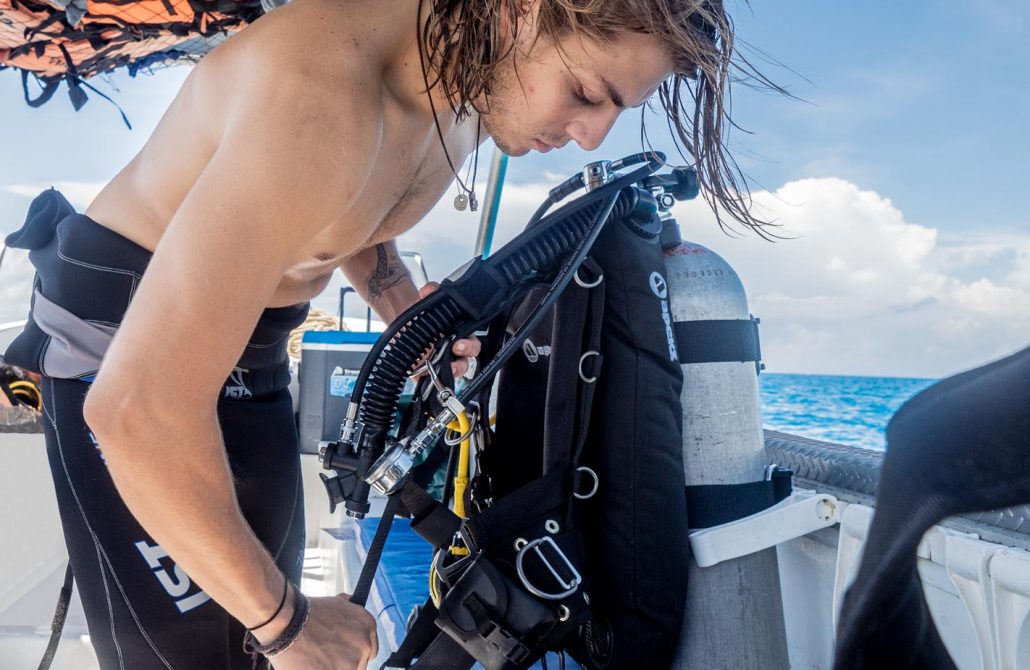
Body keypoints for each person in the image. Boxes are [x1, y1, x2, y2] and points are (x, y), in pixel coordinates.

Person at [3, 0, 770, 667]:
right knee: (231, 645)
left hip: (258, 347)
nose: (594, 137)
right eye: (584, 93)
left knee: (251, 624)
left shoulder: (470, 77)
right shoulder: (318, 98)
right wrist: (286, 625)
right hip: (125, 332)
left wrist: (401, 303)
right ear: (518, 9)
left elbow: (352, 205)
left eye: (614, 110)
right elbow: (137, 412)